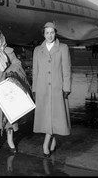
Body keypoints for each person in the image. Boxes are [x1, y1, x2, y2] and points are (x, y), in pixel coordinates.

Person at [32, 21, 71, 157]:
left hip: (57, 89)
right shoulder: (37, 50)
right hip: (42, 89)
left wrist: (66, 88)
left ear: (55, 33)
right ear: (43, 34)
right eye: (47, 33)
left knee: (55, 116)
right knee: (48, 117)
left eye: (52, 32)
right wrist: (34, 89)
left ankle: (45, 143)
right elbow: (35, 72)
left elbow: (66, 70)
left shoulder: (63, 48)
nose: (50, 35)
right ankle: (53, 140)